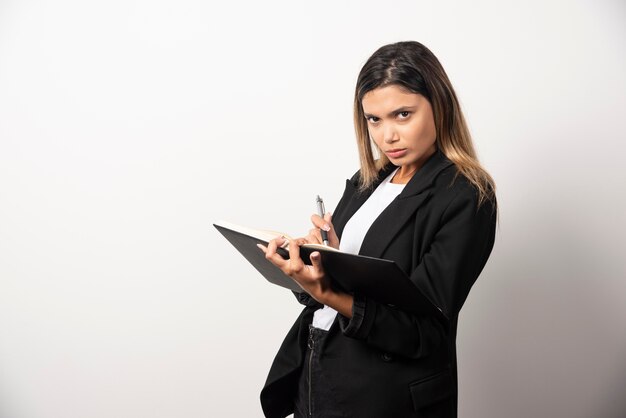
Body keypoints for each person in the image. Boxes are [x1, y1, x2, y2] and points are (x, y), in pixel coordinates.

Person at [257, 40, 497, 418]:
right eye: (374, 119)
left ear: (439, 105)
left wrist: (328, 289)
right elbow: (336, 289)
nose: (388, 136)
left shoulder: (465, 197)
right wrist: (318, 261)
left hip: (380, 394)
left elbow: (424, 333)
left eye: (403, 114)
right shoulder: (369, 180)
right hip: (316, 367)